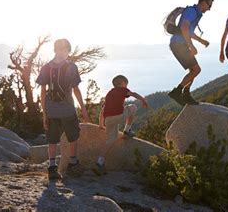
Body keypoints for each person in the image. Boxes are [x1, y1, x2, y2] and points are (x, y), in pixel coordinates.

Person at [36, 38, 90, 180]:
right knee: (73, 137)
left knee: (52, 140)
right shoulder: (71, 67)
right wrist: (83, 109)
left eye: (67, 50)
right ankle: (72, 164)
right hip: (68, 110)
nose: (66, 53)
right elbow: (76, 89)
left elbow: (43, 92)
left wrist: (44, 113)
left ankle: (52, 168)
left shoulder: (46, 67)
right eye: (66, 50)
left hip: (51, 110)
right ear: (60, 50)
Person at [94, 75, 148, 175]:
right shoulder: (122, 89)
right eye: (126, 84)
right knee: (133, 107)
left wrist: (101, 125)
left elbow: (102, 110)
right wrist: (143, 100)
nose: (127, 86)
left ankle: (99, 161)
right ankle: (127, 130)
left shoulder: (109, 93)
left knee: (110, 140)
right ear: (122, 83)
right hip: (118, 115)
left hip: (108, 119)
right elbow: (134, 94)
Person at [167, 0, 213, 105]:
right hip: (178, 44)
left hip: (179, 44)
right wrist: (191, 45)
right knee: (196, 70)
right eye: (209, 5)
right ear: (203, 3)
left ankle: (186, 94)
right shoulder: (192, 11)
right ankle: (177, 91)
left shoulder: (195, 13)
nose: (209, 9)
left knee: (193, 70)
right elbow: (184, 28)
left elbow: (189, 31)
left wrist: (201, 41)